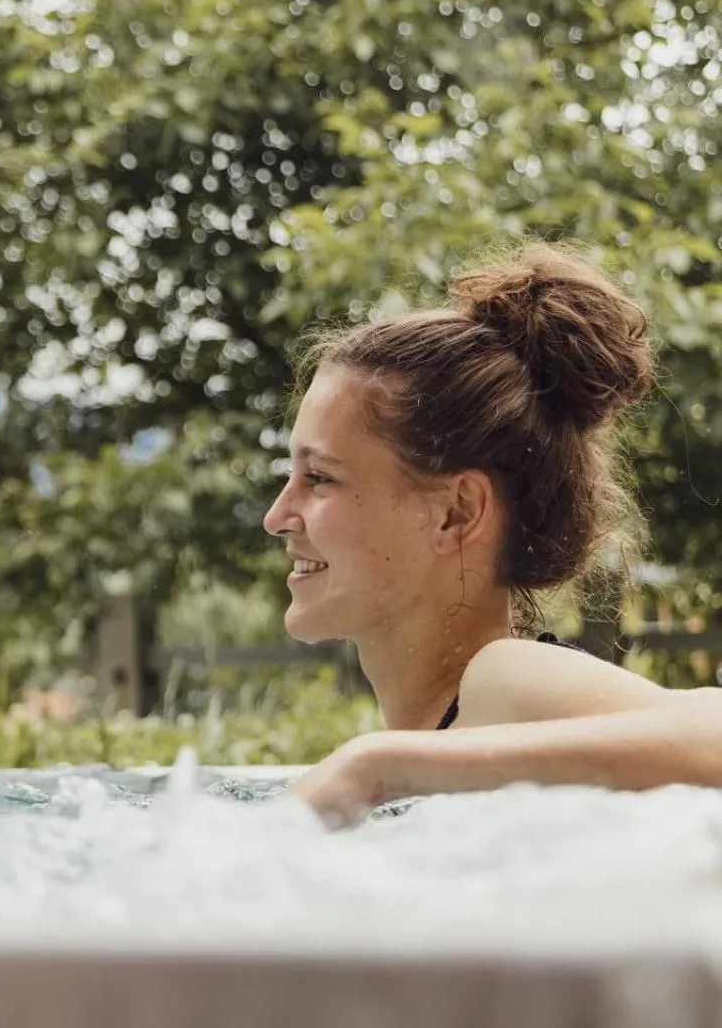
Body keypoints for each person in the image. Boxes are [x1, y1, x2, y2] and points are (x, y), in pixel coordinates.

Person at [257, 241, 722, 826]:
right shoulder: (459, 736)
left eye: (319, 477)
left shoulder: (501, 680)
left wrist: (377, 763)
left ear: (457, 512)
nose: (277, 516)